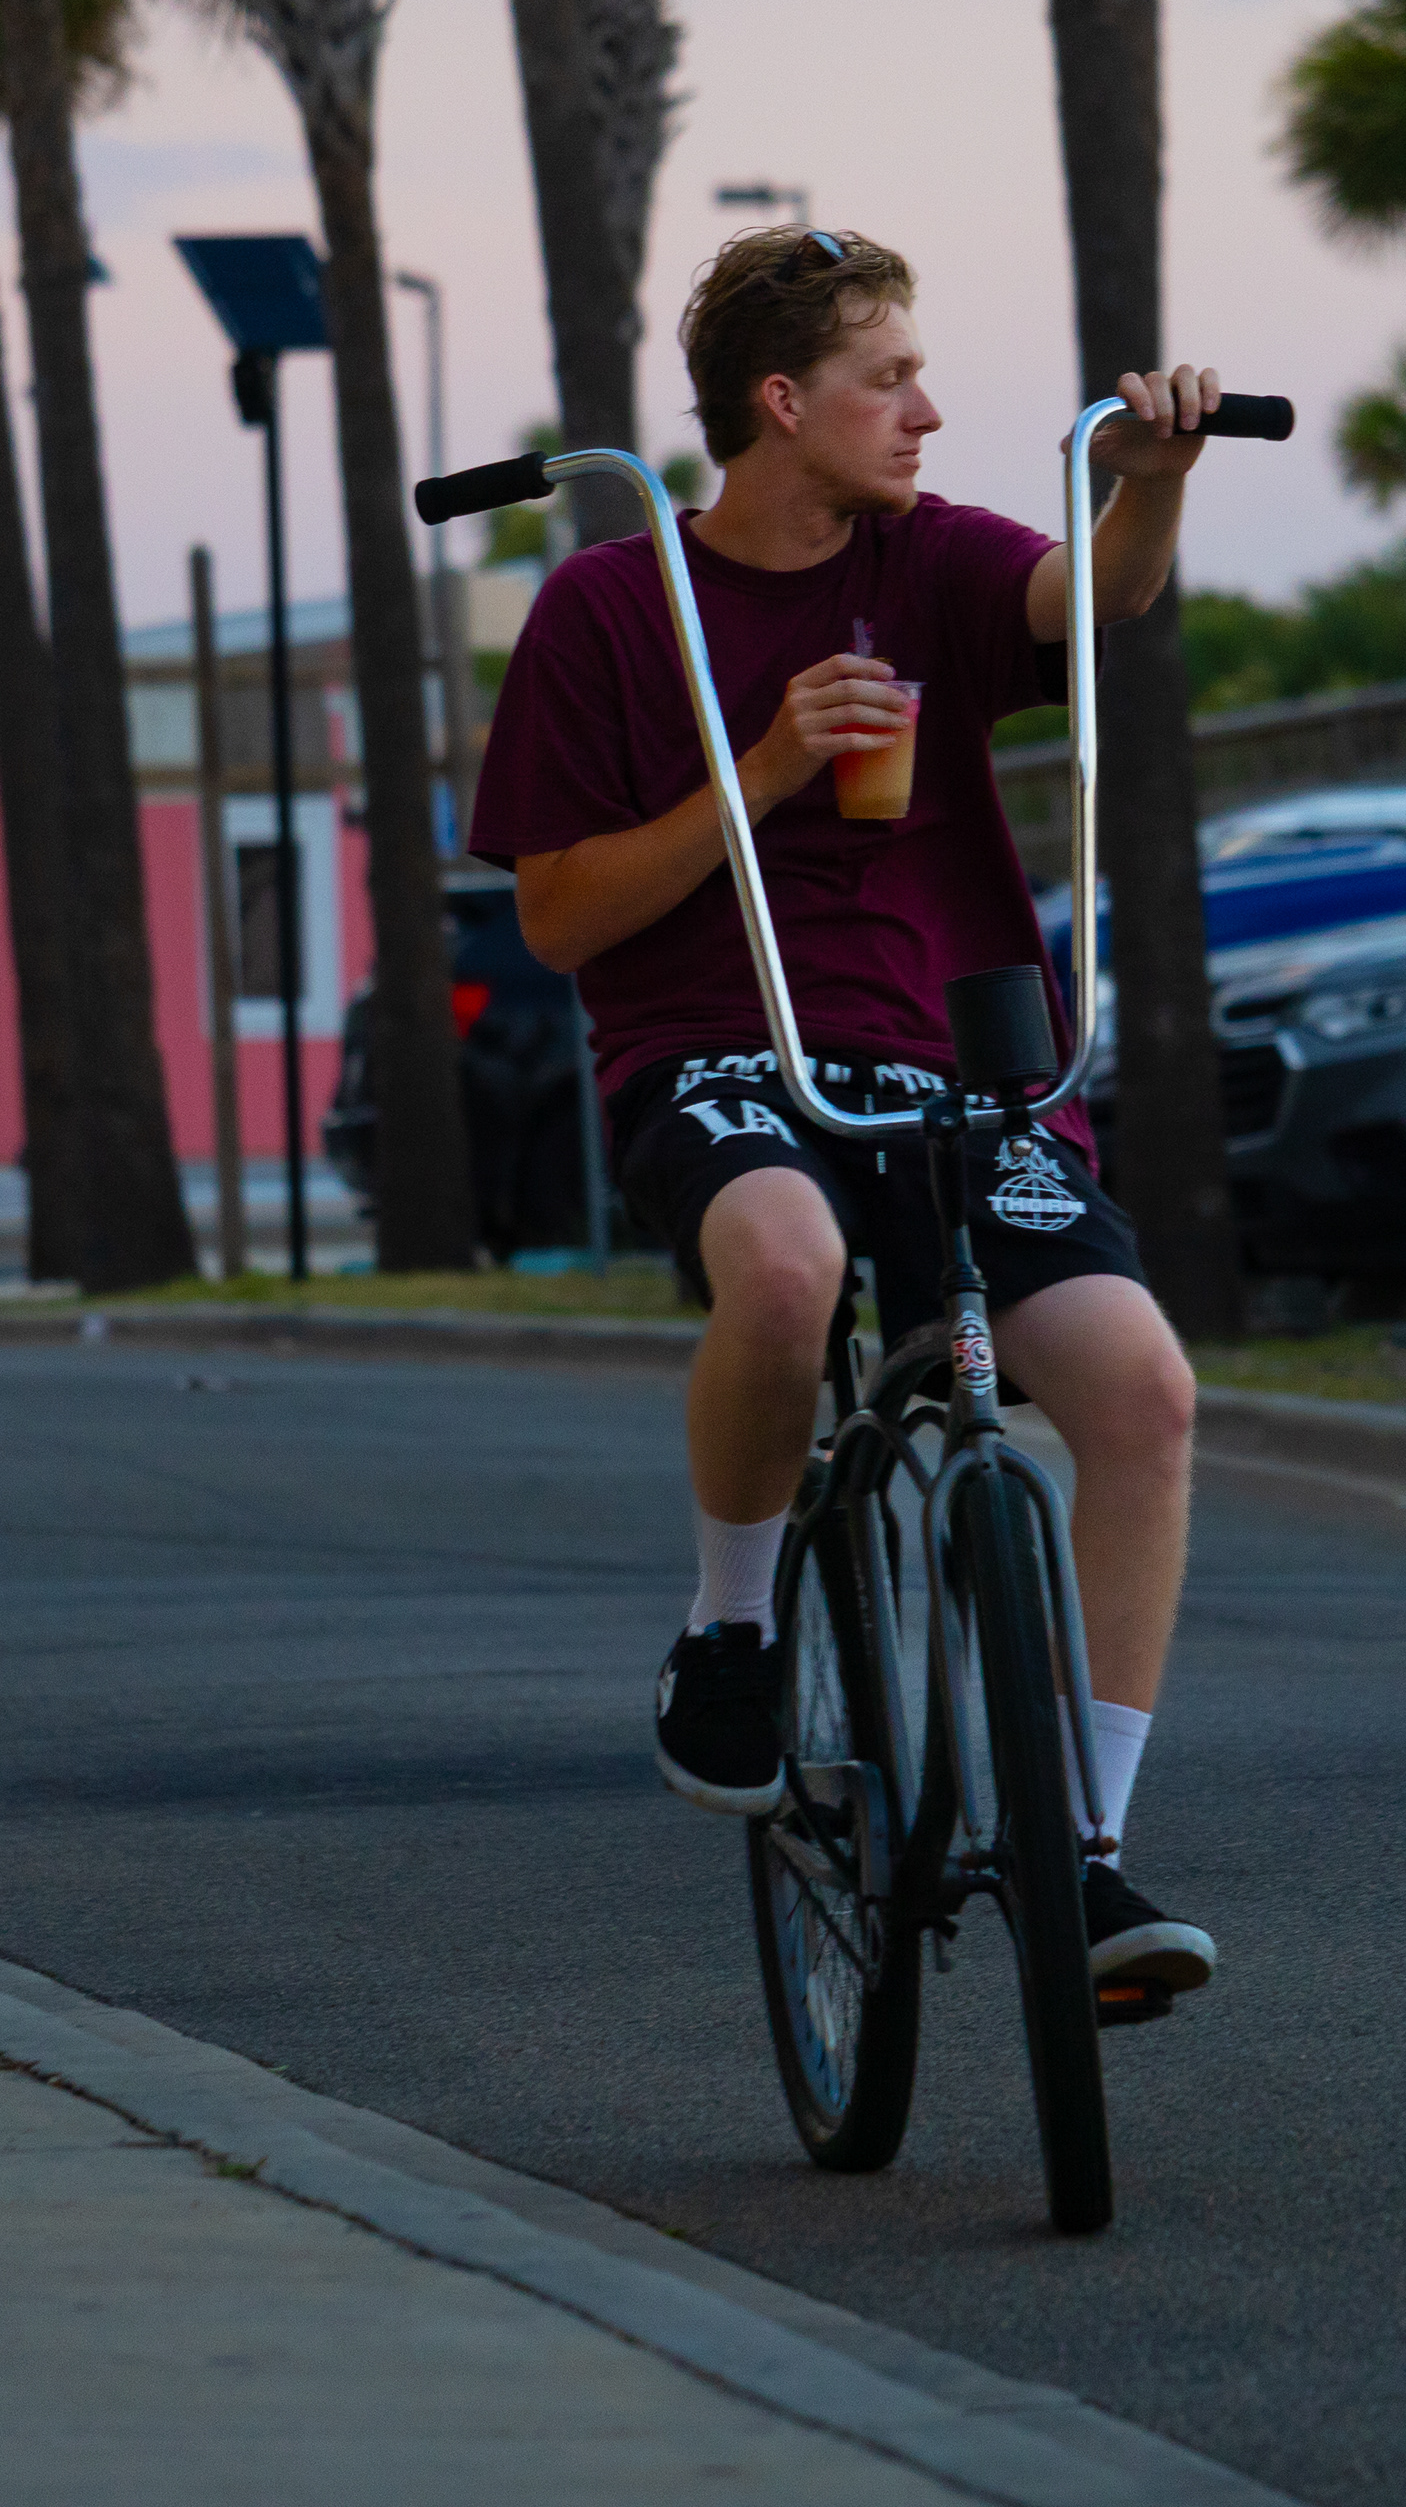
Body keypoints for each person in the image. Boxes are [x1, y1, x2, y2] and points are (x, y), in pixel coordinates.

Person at [470, 227, 1220, 2001]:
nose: (928, 411)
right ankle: (730, 1631)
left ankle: (1084, 1854)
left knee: (1142, 1391)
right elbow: (562, 916)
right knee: (791, 1272)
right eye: (891, 378)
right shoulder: (610, 603)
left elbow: (1092, 603)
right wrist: (771, 765)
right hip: (719, 1045)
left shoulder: (931, 563)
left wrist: (1155, 482)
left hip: (951, 1052)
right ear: (782, 403)